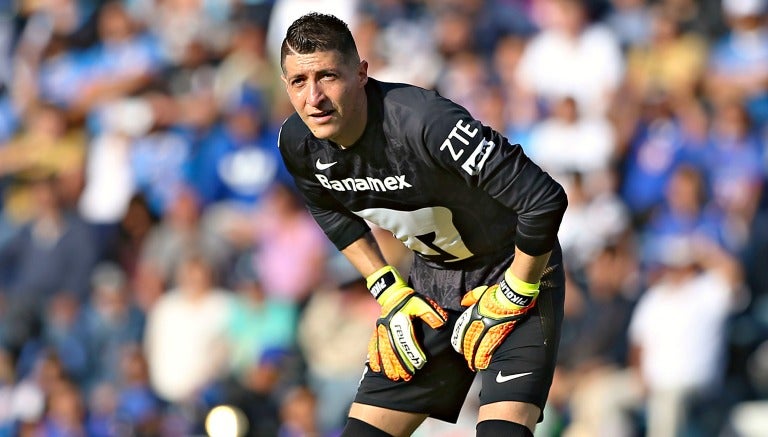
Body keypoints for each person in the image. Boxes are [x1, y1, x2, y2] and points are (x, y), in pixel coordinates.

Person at [276, 13, 568, 437]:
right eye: (298, 82)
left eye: (327, 76)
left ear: (361, 74)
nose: (314, 98)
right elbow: (328, 210)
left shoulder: (425, 122)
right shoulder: (297, 143)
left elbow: (543, 200)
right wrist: (388, 290)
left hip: (517, 270)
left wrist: (514, 293)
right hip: (431, 286)